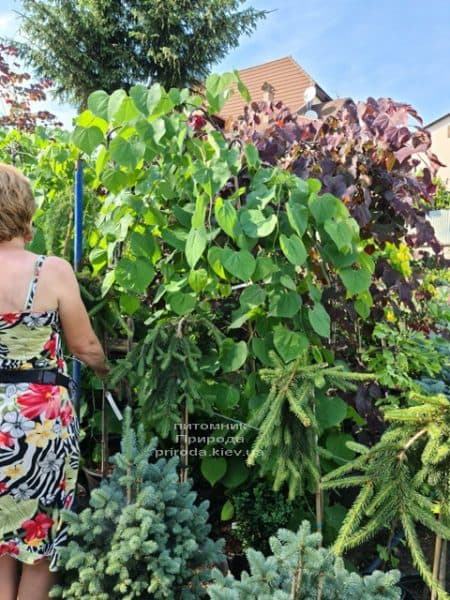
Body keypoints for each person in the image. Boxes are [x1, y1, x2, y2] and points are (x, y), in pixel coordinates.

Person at [0, 163, 109, 600]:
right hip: (41, 423)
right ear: (25, 210)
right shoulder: (53, 270)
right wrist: (109, 371)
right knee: (40, 539)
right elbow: (86, 348)